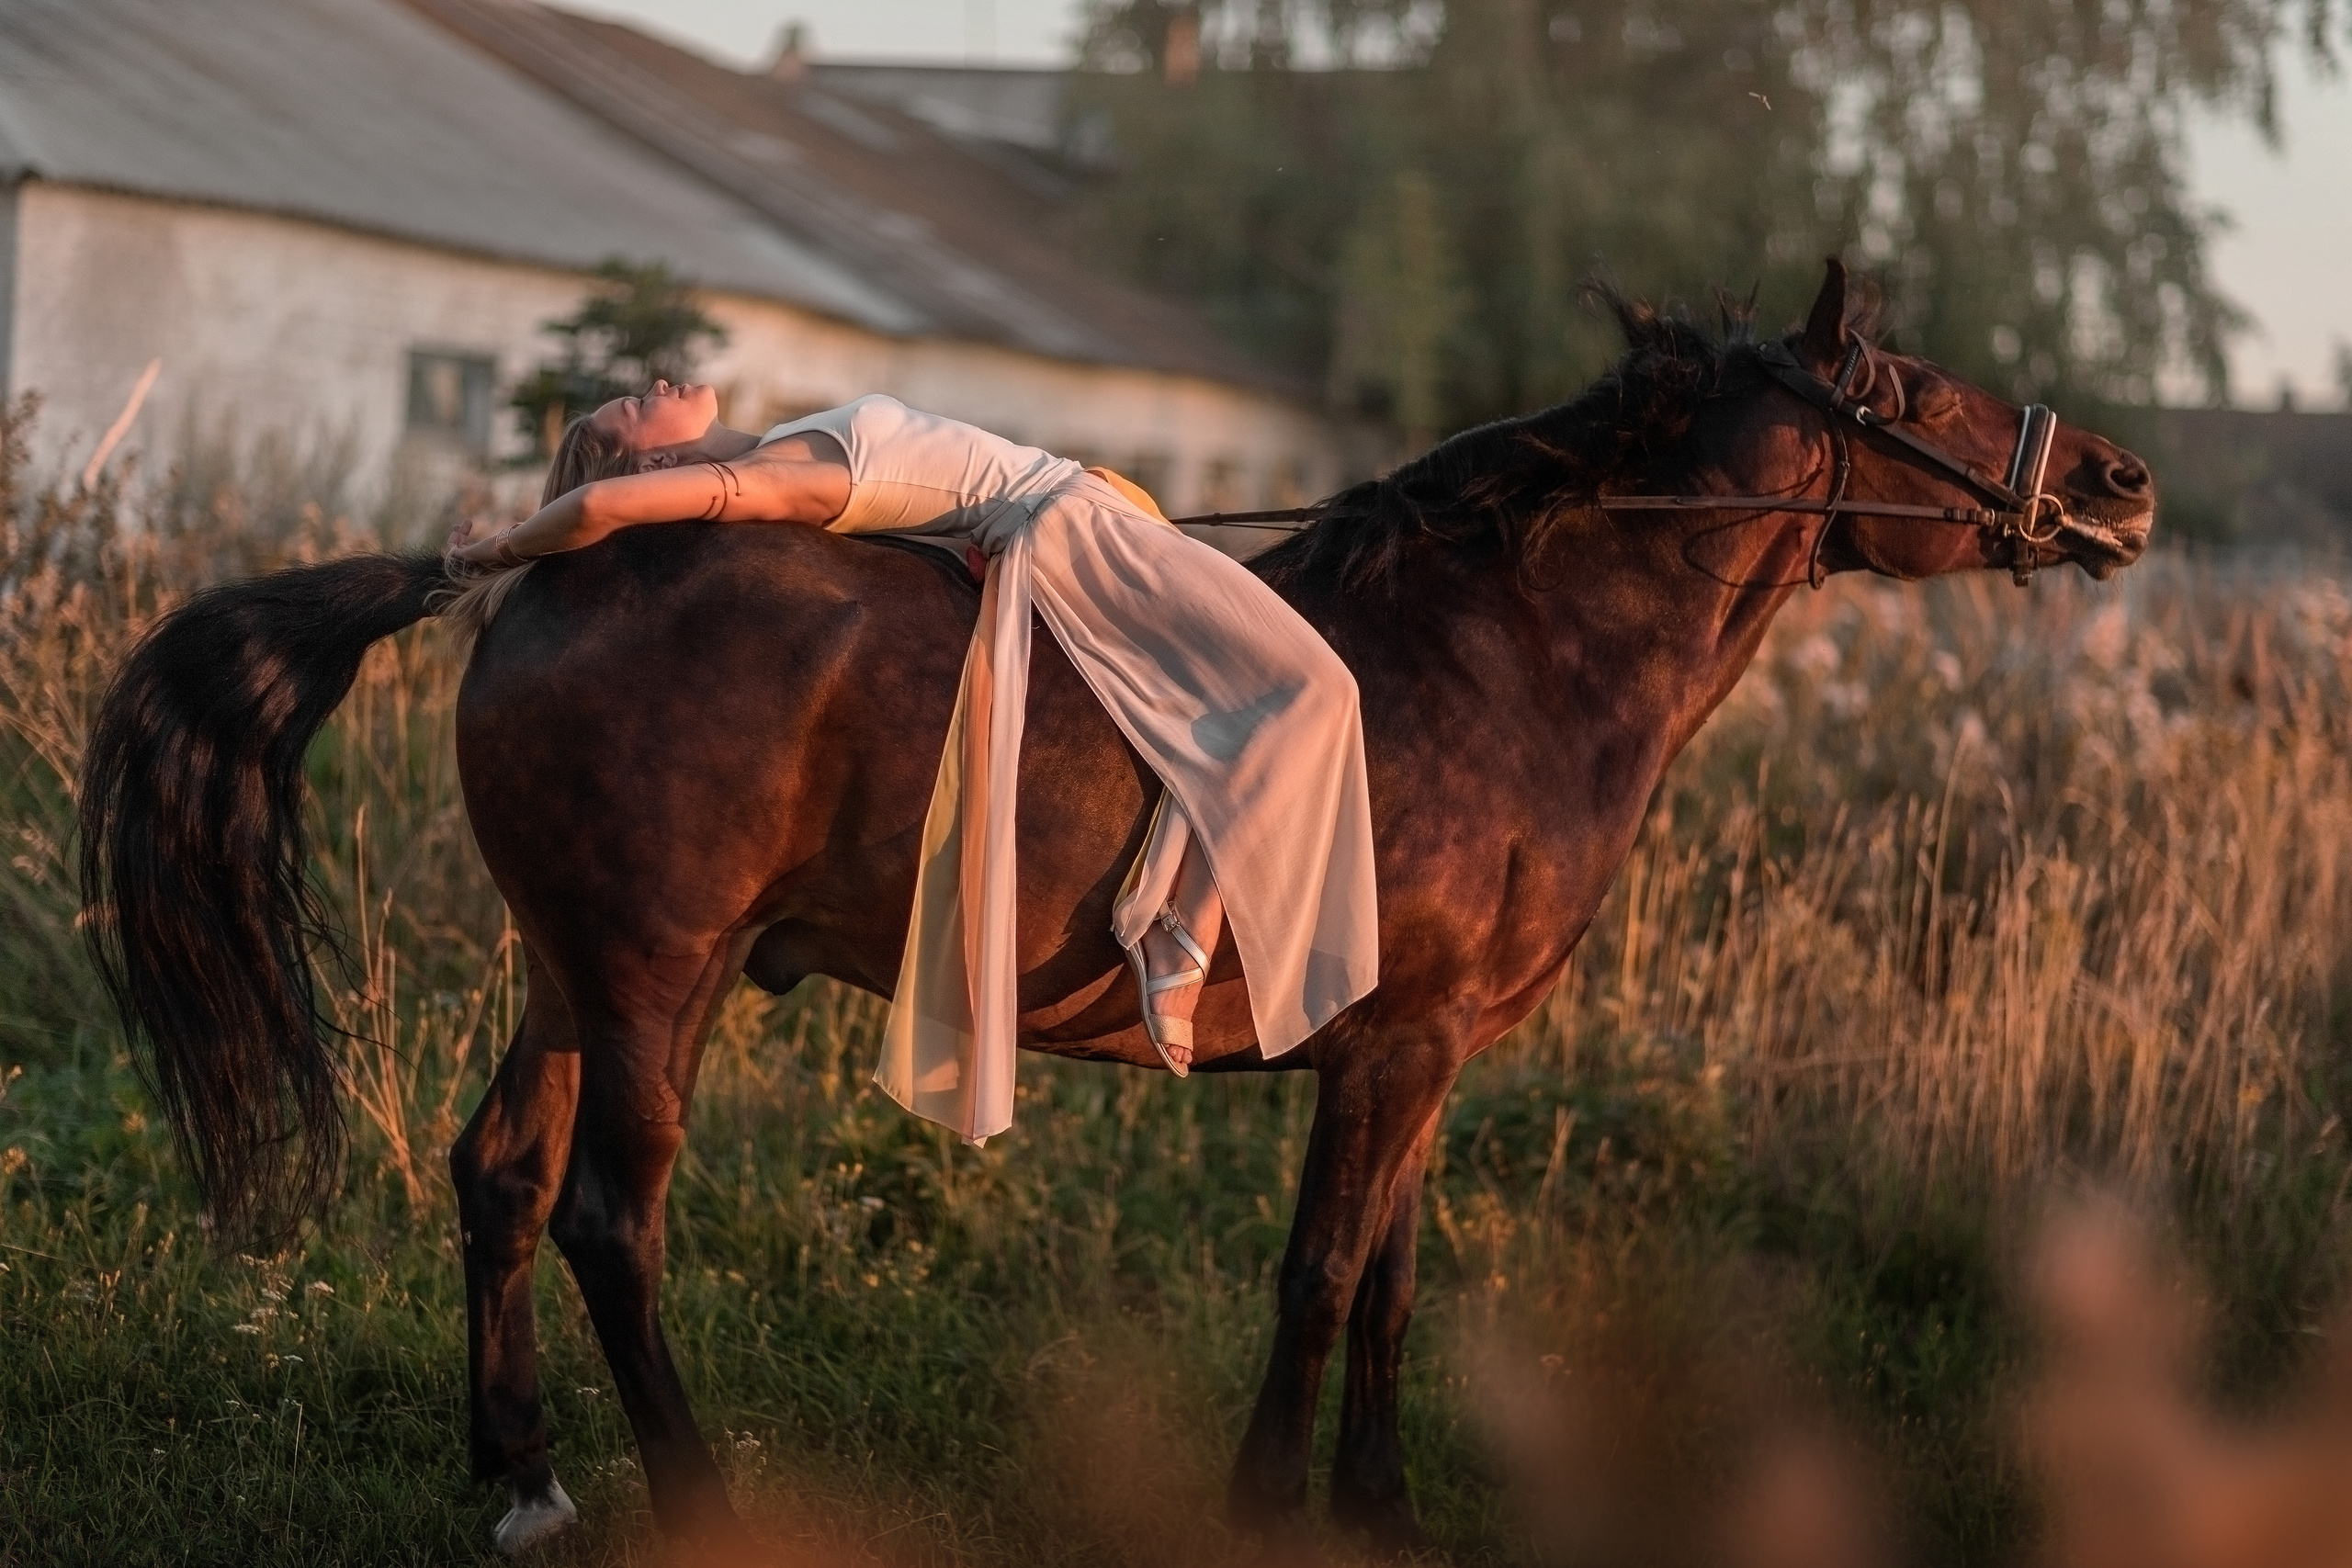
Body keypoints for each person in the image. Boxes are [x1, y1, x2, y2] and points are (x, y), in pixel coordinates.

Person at [450, 381, 1377, 1144]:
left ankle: (1178, 903)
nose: (645, 388)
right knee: (1317, 689)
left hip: (1084, 515)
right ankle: (1181, 928)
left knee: (1225, 705)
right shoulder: (777, 476)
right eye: (626, 412)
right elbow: (604, 506)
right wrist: (492, 551)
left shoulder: (787, 439)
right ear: (655, 461)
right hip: (1079, 532)